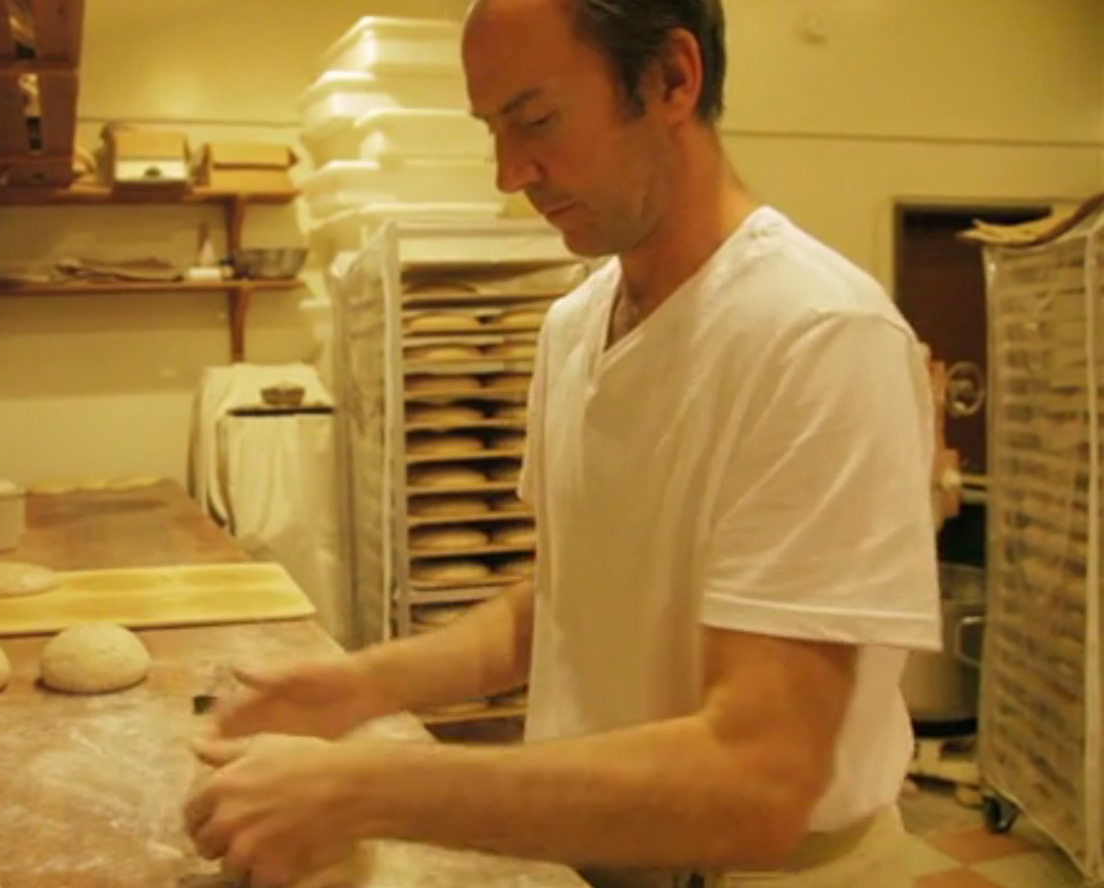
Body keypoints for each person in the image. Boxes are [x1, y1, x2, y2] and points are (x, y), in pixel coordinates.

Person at [182, 1, 942, 886]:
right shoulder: (575, 328)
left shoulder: (815, 337)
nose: (510, 172)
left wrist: (369, 787)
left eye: (535, 119)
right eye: (492, 129)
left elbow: (761, 779)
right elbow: (563, 602)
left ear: (670, 79)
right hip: (602, 856)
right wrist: (361, 687)